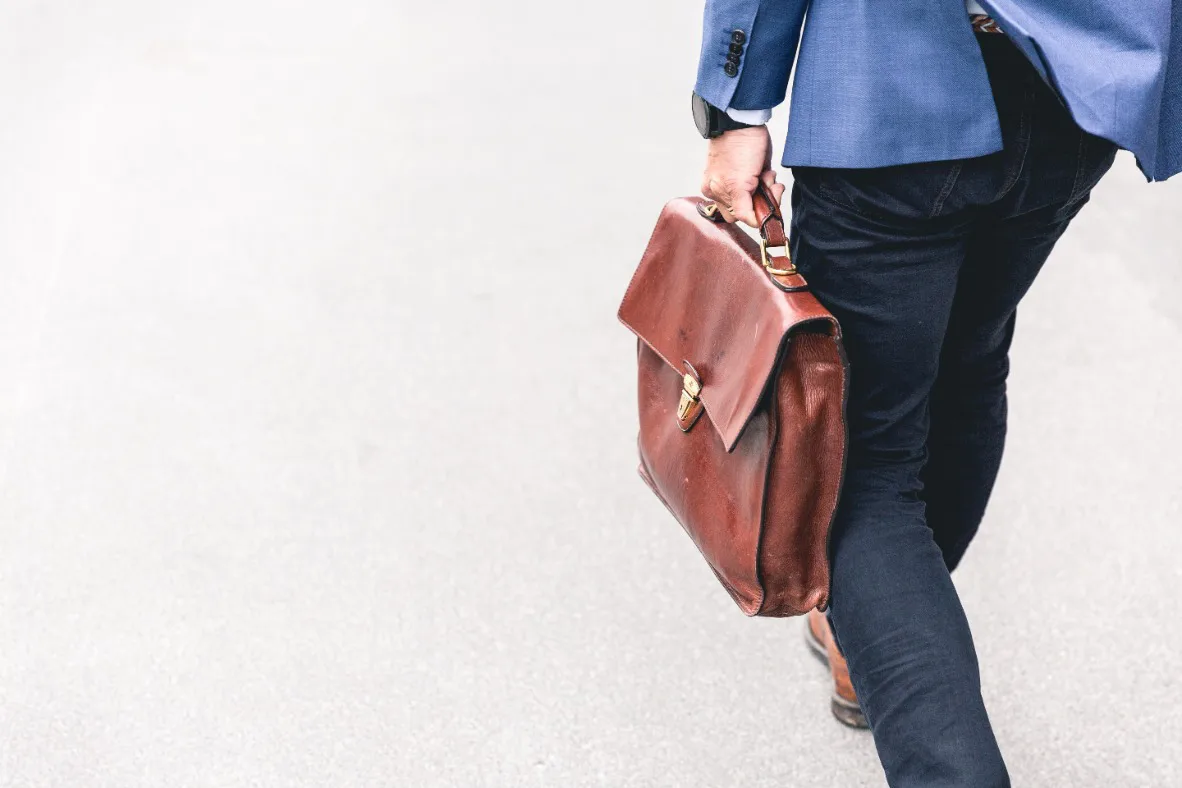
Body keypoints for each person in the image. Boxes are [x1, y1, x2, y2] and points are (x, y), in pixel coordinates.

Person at [690, 1, 1180, 785]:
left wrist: (737, 104)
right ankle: (876, 630)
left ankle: (896, 655)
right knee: (970, 358)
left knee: (862, 466)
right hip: (1075, 92)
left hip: (893, 89)